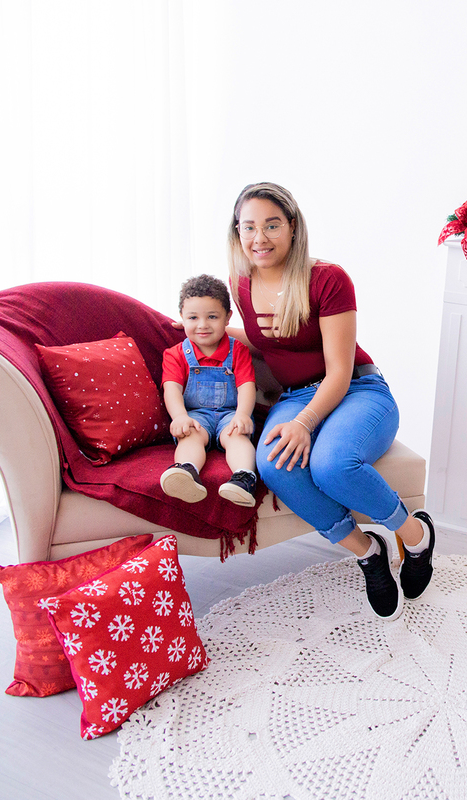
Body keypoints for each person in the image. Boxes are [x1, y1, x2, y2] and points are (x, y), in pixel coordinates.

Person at [226, 181, 435, 620]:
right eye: (248, 227)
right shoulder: (240, 281)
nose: (258, 238)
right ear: (237, 232)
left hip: (356, 389)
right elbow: (273, 342)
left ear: (293, 226)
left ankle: (415, 537)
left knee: (331, 465)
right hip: (296, 395)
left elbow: (338, 370)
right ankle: (367, 551)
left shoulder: (328, 278)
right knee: (274, 463)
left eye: (271, 225)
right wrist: (207, 332)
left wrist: (303, 423)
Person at [159, 275, 258, 507]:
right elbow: (171, 389)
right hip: (196, 415)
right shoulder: (175, 354)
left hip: (230, 413)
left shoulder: (239, 351)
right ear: (182, 318)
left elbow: (246, 386)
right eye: (193, 317)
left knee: (237, 436)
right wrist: (180, 417)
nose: (202, 325)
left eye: (212, 317)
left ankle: (244, 478)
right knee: (190, 436)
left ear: (227, 318)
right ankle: (186, 472)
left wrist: (242, 415)